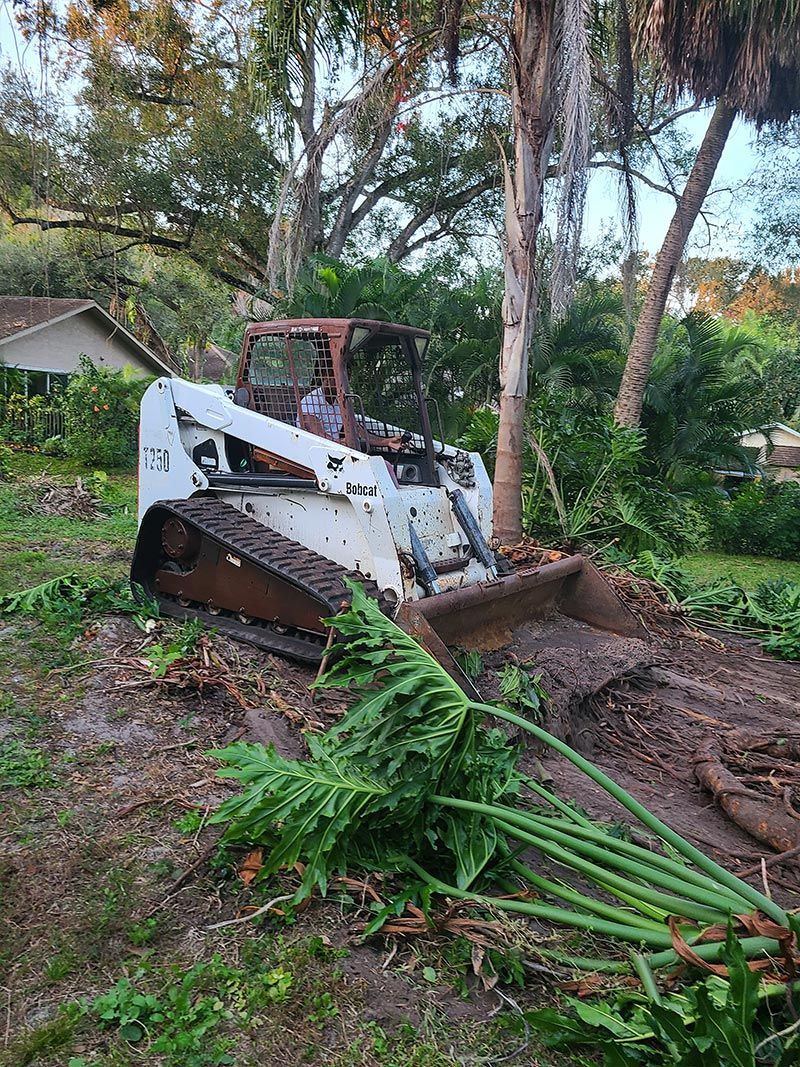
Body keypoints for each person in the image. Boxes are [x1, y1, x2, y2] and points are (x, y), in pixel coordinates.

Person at [299, 357, 404, 451]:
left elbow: (357, 430)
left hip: (338, 450)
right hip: (318, 452)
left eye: (346, 377)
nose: (342, 382)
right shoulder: (310, 402)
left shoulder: (342, 401)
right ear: (323, 375)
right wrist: (342, 443)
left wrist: (387, 442)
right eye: (335, 376)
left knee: (386, 465)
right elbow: (316, 435)